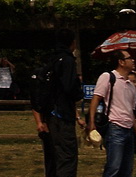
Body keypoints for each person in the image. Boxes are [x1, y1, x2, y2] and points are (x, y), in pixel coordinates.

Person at [30, 28, 83, 177]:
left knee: (52, 157)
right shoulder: (67, 60)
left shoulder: (51, 60)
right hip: (62, 116)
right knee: (66, 157)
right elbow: (69, 87)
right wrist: (78, 91)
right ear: (72, 43)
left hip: (49, 116)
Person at [87, 50, 136, 177]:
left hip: (129, 129)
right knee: (113, 167)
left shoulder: (130, 86)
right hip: (115, 127)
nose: (133, 60)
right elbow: (96, 99)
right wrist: (91, 122)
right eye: (129, 58)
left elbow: (130, 111)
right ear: (121, 62)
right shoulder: (108, 77)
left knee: (127, 169)